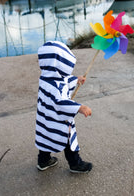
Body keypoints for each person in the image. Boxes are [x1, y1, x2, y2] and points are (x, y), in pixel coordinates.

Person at [35, 41, 92, 173]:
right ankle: (75, 164)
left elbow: (63, 80)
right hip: (57, 120)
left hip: (46, 119)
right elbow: (61, 102)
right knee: (68, 140)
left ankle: (43, 161)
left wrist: (75, 80)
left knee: (46, 137)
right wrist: (79, 107)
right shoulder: (55, 87)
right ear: (58, 66)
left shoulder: (46, 77)